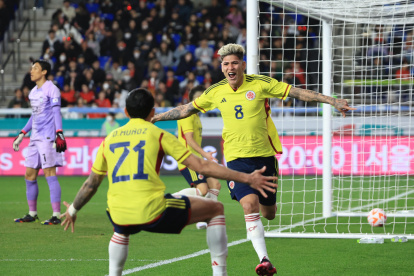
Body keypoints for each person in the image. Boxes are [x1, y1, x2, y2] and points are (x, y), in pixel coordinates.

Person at [151, 43, 356, 276]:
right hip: (237, 159)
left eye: (235, 63)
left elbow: (296, 92)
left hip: (264, 157)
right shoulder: (215, 91)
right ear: (221, 67)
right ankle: (265, 260)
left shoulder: (260, 84)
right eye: (226, 64)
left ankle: (258, 222)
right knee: (249, 205)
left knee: (269, 213)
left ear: (242, 65)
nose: (231, 67)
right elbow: (186, 109)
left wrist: (332, 101)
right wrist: (156, 117)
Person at [60, 88, 278, 276]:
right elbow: (201, 167)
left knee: (121, 229)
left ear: (125, 112)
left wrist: (73, 210)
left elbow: (92, 183)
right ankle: (219, 272)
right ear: (153, 112)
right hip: (152, 210)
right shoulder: (158, 134)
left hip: (117, 211)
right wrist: (247, 178)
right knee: (216, 208)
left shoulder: (109, 139)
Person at [13, 59, 67, 225]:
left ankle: (56, 215)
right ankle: (32, 213)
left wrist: (59, 133)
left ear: (44, 72)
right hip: (34, 138)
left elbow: (57, 113)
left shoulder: (52, 90)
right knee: (29, 175)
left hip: (48, 138)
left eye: (35, 68)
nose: (32, 71)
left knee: (49, 173)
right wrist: (23, 132)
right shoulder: (33, 92)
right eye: (32, 68)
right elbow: (34, 116)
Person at [175, 85, 221, 229]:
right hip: (188, 159)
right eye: (197, 98)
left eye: (202, 98)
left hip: (196, 159)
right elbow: (189, 140)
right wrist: (205, 154)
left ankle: (207, 217)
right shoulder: (187, 114)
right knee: (203, 190)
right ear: (191, 100)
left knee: (216, 185)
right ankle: (171, 198)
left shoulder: (196, 115)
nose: (200, 100)